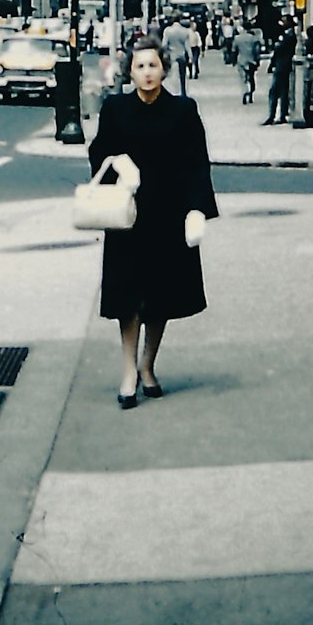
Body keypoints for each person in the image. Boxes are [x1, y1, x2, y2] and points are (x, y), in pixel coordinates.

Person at [87, 35, 218, 408]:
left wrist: (197, 209)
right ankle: (128, 368)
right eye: (140, 66)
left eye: (153, 66)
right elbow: (100, 151)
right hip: (127, 215)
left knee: (160, 296)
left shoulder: (183, 110)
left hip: (168, 215)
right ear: (130, 71)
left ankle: (148, 365)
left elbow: (197, 162)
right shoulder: (115, 109)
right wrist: (116, 165)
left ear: (164, 69)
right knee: (127, 297)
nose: (147, 73)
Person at [263, 15, 297, 124]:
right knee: (282, 92)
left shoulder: (289, 35)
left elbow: (279, 49)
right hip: (282, 65)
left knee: (275, 91)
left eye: (283, 21)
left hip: (282, 66)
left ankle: (273, 115)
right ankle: (281, 114)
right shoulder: (286, 34)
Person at [162, 14, 192, 97]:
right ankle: (183, 92)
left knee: (174, 77)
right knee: (183, 76)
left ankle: (175, 93)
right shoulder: (185, 31)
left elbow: (164, 45)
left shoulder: (167, 31)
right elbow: (187, 46)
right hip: (181, 55)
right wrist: (190, 57)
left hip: (172, 56)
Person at [233, 20, 263, 104]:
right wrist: (257, 60)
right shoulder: (254, 39)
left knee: (243, 78)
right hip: (251, 60)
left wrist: (234, 60)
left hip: (241, 60)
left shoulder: (237, 38)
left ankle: (244, 91)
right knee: (252, 77)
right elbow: (257, 50)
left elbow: (234, 50)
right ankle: (251, 93)